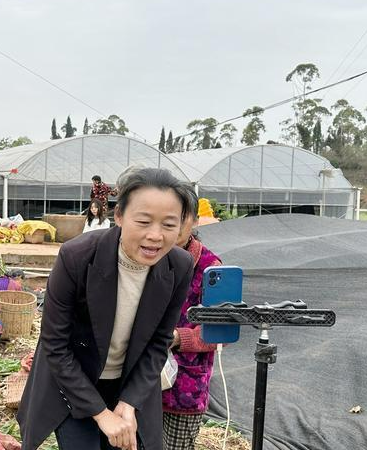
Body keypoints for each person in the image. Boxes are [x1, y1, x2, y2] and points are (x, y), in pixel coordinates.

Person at [17, 167, 196, 450]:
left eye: (169, 224)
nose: (155, 235)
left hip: (128, 384)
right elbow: (55, 344)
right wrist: (101, 414)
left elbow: (159, 342)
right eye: (144, 221)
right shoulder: (77, 257)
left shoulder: (180, 265)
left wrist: (129, 403)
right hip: (74, 380)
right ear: (119, 216)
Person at [162, 190, 222, 450]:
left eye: (180, 219)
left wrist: (177, 338)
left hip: (184, 388)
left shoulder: (212, 268)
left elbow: (221, 331)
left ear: (195, 221)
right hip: (136, 386)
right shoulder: (145, 257)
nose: (170, 228)